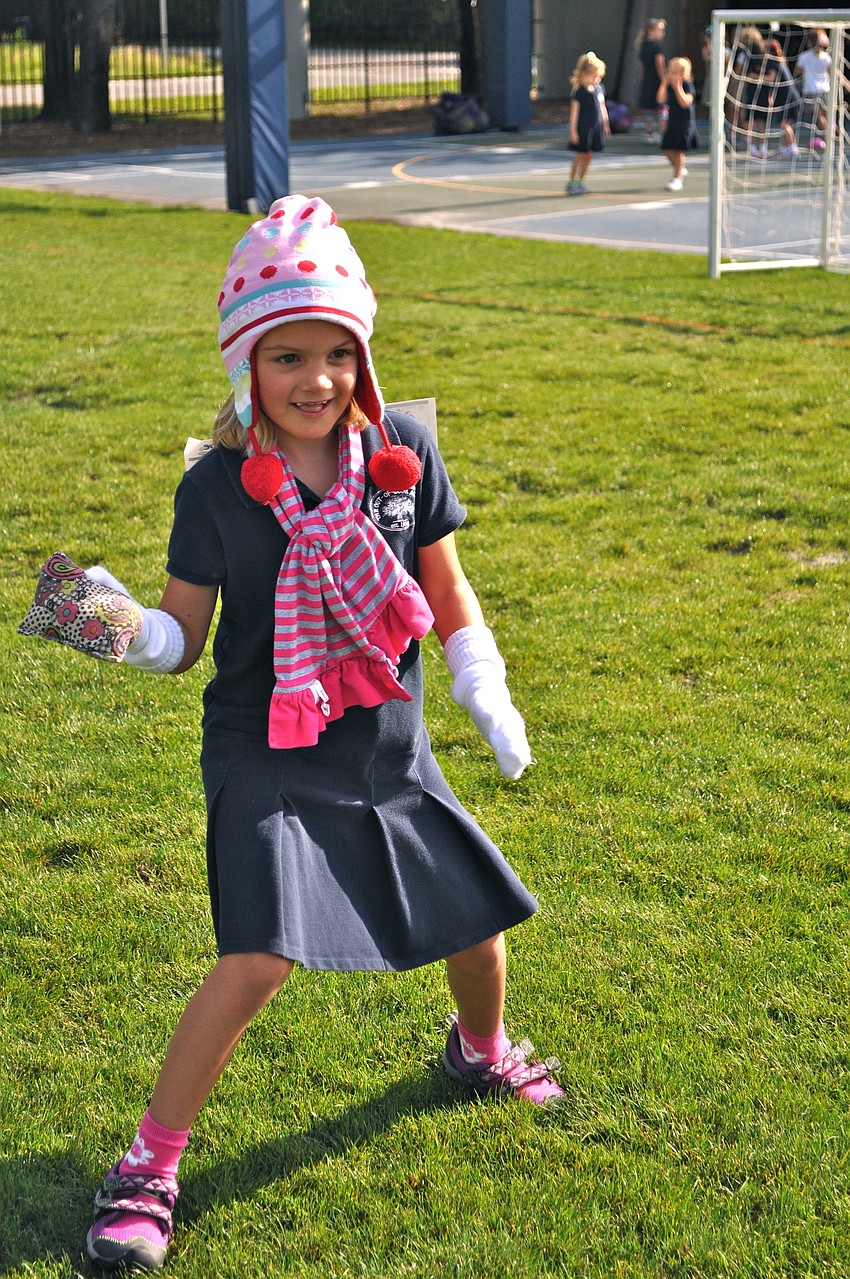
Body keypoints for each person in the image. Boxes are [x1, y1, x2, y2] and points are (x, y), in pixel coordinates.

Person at [80, 194, 564, 1274]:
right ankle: (148, 1167)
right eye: (284, 355)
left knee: (475, 923)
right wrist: (113, 625)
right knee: (256, 958)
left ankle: (476, 1051)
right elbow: (183, 636)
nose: (314, 380)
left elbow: (446, 589)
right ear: (244, 366)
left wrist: (481, 686)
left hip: (387, 745)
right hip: (264, 751)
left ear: (364, 355)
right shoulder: (214, 488)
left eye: (335, 353)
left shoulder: (403, 451)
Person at [748, 37, 803, 159]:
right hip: (789, 96)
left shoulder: (772, 62)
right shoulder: (780, 61)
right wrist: (771, 96)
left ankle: (793, 147)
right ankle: (786, 147)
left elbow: (772, 78)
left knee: (784, 124)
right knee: (784, 123)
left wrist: (755, 77)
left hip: (788, 97)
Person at [566, 51, 610, 196]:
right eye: (594, 76)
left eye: (599, 77)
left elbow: (602, 107)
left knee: (589, 155)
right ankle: (572, 182)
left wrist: (605, 123)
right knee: (580, 154)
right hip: (583, 128)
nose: (597, 80)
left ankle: (581, 181)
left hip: (595, 127)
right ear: (584, 74)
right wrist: (573, 131)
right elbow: (574, 113)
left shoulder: (598, 89)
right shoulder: (579, 92)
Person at [657, 56, 698, 190]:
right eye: (670, 72)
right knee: (667, 149)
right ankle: (680, 169)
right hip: (672, 121)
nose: (672, 75)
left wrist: (678, 87)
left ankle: (676, 178)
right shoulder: (668, 86)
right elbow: (660, 100)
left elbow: (685, 102)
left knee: (678, 149)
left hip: (685, 122)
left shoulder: (687, 85)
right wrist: (664, 84)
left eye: (676, 73)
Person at [795, 28, 831, 140]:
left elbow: (798, 72)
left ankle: (828, 137)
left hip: (811, 89)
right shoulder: (826, 57)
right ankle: (832, 131)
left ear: (809, 42)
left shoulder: (804, 56)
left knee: (818, 115)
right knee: (825, 115)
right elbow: (832, 72)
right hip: (825, 88)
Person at [636, 18, 667, 142]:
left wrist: (643, 80)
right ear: (650, 30)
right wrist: (665, 82)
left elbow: (641, 69)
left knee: (649, 108)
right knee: (662, 107)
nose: (662, 33)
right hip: (657, 82)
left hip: (647, 82)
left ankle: (649, 133)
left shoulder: (643, 47)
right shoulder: (656, 48)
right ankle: (662, 133)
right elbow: (660, 67)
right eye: (660, 30)